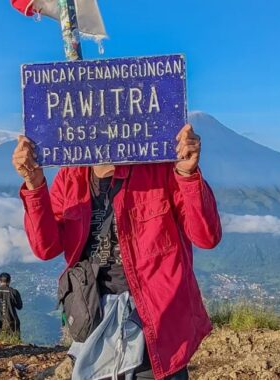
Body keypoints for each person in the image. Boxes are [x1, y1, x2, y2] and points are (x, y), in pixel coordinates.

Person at [13, 124, 222, 379]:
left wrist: (187, 174)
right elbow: (46, 248)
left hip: (157, 321)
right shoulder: (71, 177)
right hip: (93, 317)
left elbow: (207, 236)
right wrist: (34, 186)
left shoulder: (158, 167)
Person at [0, 272, 23, 339]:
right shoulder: (14, 292)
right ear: (9, 281)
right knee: (13, 344)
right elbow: (19, 306)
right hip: (12, 323)